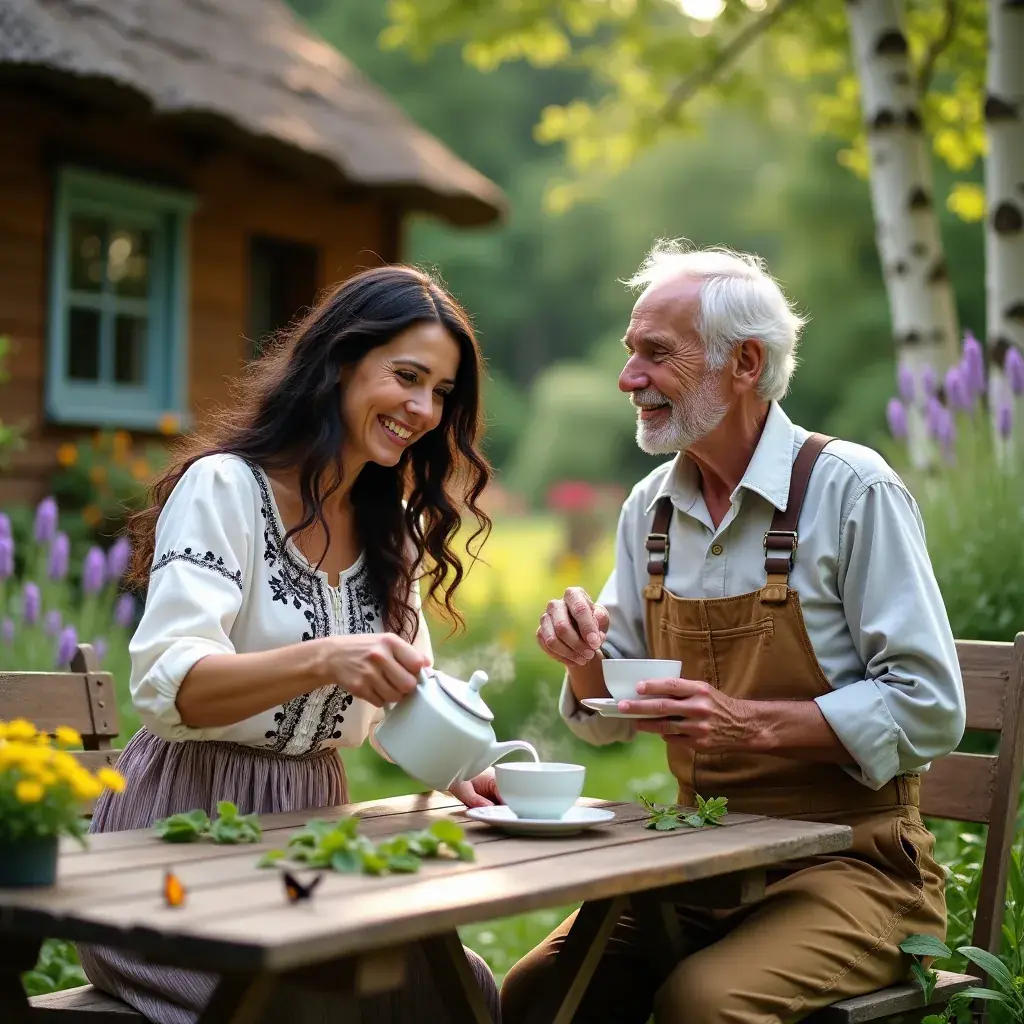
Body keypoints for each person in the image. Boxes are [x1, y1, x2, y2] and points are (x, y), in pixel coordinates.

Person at [504, 241, 965, 1024]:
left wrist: (747, 723)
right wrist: (583, 660)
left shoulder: (853, 490)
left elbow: (930, 706)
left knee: (703, 1004)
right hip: (700, 857)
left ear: (745, 363)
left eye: (655, 354)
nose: (628, 379)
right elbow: (609, 714)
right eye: (629, 354)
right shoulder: (649, 508)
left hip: (853, 864)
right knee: (539, 995)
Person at [79, 265, 503, 1024]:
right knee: (321, 1003)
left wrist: (469, 768)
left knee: (456, 986)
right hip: (178, 844)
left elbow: (408, 699)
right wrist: (324, 658)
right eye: (406, 376)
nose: (422, 409)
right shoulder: (224, 490)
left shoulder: (390, 527)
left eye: (440, 392)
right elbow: (169, 686)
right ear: (340, 361)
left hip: (310, 843)